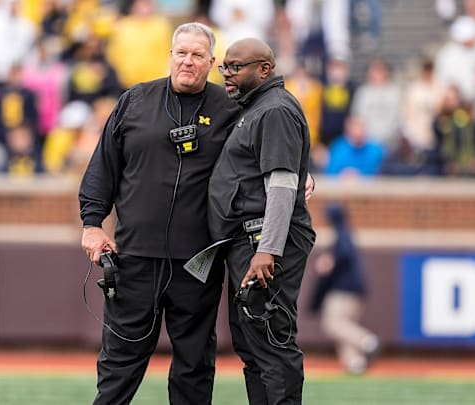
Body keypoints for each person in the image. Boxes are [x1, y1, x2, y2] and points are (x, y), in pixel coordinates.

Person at [78, 22, 241, 405]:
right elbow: (103, 166)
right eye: (181, 52)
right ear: (170, 55)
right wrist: (91, 223)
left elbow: (271, 142)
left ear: (211, 62)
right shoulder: (135, 100)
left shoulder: (231, 109)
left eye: (197, 55)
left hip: (197, 264)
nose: (188, 61)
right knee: (120, 364)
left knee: (194, 368)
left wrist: (300, 172)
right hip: (134, 259)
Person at [208, 38, 316, 404]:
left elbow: (284, 186)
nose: (227, 74)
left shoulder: (274, 109)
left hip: (262, 243)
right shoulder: (253, 107)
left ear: (264, 69)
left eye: (236, 66)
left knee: (271, 343)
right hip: (247, 241)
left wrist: (267, 249)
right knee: (253, 348)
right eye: (224, 66)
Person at [309, 203, 379, 375]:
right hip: (353, 291)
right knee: (344, 327)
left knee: (333, 324)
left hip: (343, 291)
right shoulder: (345, 233)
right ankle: (355, 363)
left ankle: (367, 341)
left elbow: (342, 255)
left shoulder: (343, 235)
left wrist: (330, 261)